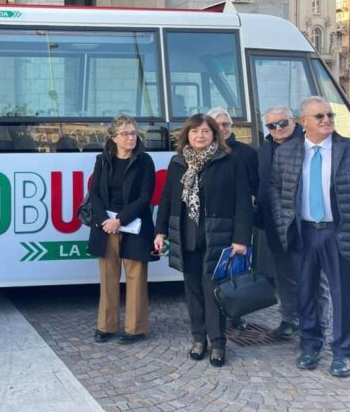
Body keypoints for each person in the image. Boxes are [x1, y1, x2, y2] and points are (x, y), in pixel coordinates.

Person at [154, 113, 252, 367]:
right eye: (195, 131)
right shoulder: (178, 162)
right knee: (193, 291)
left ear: (214, 135)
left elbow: (243, 201)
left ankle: (218, 343)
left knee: (214, 292)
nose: (200, 136)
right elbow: (167, 199)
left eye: (206, 131)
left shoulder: (229, 160)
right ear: (187, 135)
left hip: (218, 238)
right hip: (187, 236)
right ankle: (199, 339)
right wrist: (160, 231)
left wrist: (241, 238)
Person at [269, 96, 350, 377]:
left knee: (342, 295)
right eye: (319, 116)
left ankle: (342, 352)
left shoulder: (346, 148)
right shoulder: (286, 152)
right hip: (303, 232)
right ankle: (310, 345)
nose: (327, 120)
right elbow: (276, 189)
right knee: (305, 292)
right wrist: (284, 221)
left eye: (329, 115)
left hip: (337, 231)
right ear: (303, 121)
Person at [257, 106, 330, 340]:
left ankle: (320, 324)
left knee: (316, 277)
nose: (278, 128)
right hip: (275, 225)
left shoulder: (309, 144)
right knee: (284, 276)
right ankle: (289, 319)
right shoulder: (264, 150)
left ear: (294, 121)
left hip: (307, 224)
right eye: (272, 125)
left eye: (282, 123)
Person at [87, 115, 156, 344]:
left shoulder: (144, 161)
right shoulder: (102, 160)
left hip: (135, 225)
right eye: (125, 134)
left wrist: (120, 219)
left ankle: (135, 329)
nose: (131, 138)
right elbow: (94, 193)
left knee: (136, 277)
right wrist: (104, 221)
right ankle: (106, 326)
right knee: (108, 277)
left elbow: (145, 197)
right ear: (113, 138)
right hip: (106, 227)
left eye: (133, 133)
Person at [207, 107, 258, 330]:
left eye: (226, 124)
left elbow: (256, 183)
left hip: (238, 219)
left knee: (236, 270)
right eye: (217, 125)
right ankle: (212, 314)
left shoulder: (246, 152)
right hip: (213, 220)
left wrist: (252, 197)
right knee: (213, 270)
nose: (223, 129)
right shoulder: (204, 151)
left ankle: (235, 313)